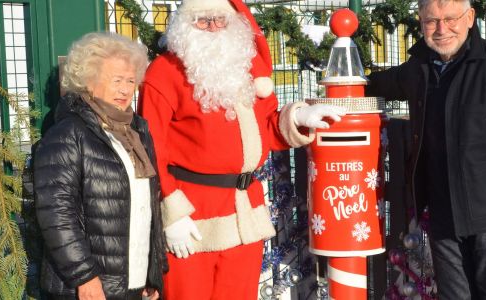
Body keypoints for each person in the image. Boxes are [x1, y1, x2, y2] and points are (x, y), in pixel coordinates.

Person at [137, 0, 344, 298]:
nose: (212, 28)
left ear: (234, 22)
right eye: (202, 21)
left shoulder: (244, 69)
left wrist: (298, 117)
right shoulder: (163, 72)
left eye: (220, 20)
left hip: (244, 211)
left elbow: (268, 129)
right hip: (192, 215)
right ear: (185, 26)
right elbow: (149, 147)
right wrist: (171, 212)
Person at [366, 0, 486, 298]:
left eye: (450, 18)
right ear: (421, 21)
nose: (441, 29)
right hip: (443, 216)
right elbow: (384, 83)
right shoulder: (420, 67)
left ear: (470, 17)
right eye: (431, 21)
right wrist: (346, 82)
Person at [34, 32, 167, 300]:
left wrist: (152, 273)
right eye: (117, 80)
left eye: (130, 81)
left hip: (133, 283)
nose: (125, 89)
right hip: (86, 288)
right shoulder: (68, 133)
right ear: (89, 82)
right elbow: (56, 213)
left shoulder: (137, 132)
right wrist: (84, 276)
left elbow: (148, 205)